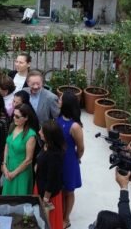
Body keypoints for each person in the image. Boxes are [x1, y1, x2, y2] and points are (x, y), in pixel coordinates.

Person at [57, 91, 85, 227]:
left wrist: (76, 158)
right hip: (58, 159)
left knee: (69, 190)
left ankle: (66, 219)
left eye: (61, 99)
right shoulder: (59, 118)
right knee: (60, 188)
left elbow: (81, 148)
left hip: (69, 161)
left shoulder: (75, 126)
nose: (58, 100)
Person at [2, 103, 37, 195]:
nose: (14, 118)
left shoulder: (30, 135)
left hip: (21, 172)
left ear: (26, 118)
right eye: (14, 115)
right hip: (9, 168)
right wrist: (4, 165)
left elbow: (28, 160)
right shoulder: (12, 126)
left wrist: (13, 173)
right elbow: (7, 145)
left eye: (17, 116)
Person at [36, 121, 65, 229]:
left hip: (48, 194)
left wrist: (46, 199)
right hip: (40, 185)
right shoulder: (46, 145)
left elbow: (52, 178)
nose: (39, 132)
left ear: (49, 136)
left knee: (48, 221)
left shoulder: (55, 155)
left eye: (42, 132)